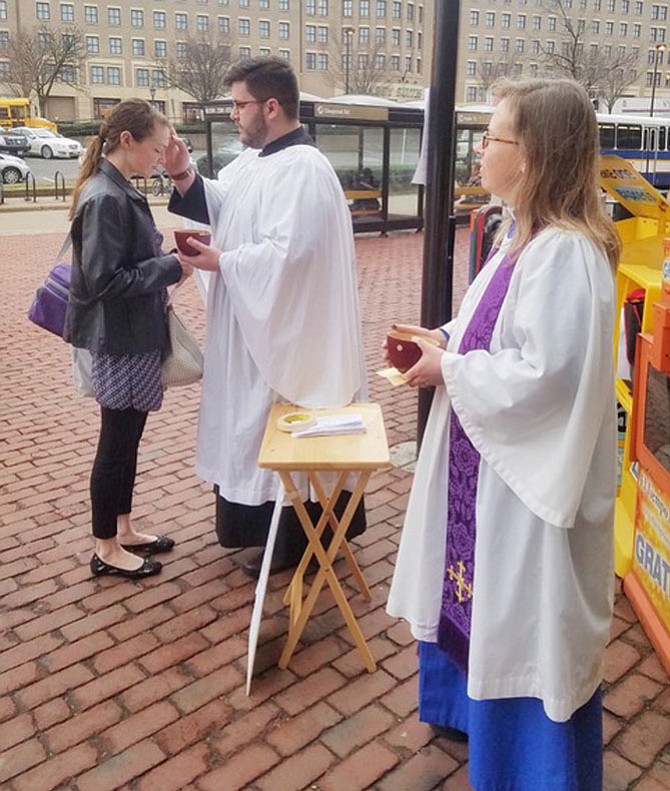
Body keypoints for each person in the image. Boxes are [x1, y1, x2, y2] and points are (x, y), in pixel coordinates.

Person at [386, 78, 620, 789]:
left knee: (524, 624)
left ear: (535, 154)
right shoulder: (522, 239)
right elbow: (493, 329)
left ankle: (535, 772)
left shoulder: (566, 253)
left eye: (492, 138)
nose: (480, 150)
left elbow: (545, 377)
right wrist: (445, 341)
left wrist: (450, 369)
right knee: (487, 605)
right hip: (492, 479)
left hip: (525, 495)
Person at [163, 56, 367, 578]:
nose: (233, 115)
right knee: (252, 429)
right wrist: (184, 173)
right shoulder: (256, 162)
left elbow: (290, 256)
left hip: (287, 332)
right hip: (251, 325)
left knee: (278, 427)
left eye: (239, 105)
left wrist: (223, 261)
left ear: (271, 107)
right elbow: (223, 203)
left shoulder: (304, 170)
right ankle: (266, 531)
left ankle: (296, 542)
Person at [64, 99, 192, 579]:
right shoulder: (105, 197)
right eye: (156, 149)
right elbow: (104, 280)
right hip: (119, 340)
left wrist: (163, 266)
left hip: (130, 335)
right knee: (116, 442)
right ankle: (106, 546)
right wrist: (169, 266)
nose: (161, 157)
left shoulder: (113, 190)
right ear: (127, 141)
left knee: (128, 439)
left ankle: (122, 528)